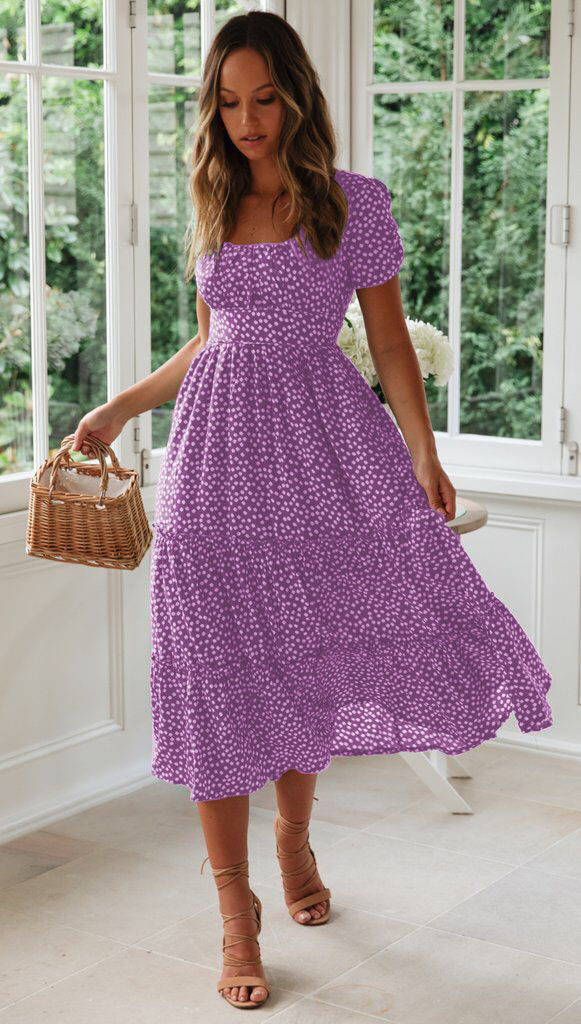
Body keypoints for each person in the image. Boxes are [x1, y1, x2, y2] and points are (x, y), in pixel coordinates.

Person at [72, 10, 553, 1011]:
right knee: (212, 672)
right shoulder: (210, 199)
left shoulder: (349, 203)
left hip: (320, 456)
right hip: (210, 465)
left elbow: (388, 342)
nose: (246, 120)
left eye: (263, 99)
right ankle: (235, 910)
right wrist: (120, 406)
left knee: (302, 662)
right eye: (228, 102)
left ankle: (293, 841)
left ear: (295, 98)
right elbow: (209, 341)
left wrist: (422, 450)